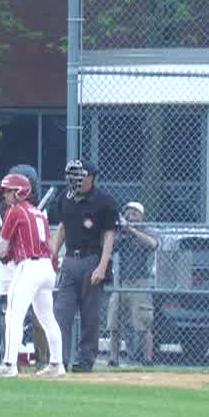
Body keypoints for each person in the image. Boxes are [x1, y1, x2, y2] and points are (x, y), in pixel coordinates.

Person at [0, 172, 63, 378]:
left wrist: (0, 252)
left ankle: (9, 364)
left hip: (29, 266)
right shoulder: (38, 213)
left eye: (9, 191)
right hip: (47, 267)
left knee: (13, 315)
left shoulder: (15, 211)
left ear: (19, 192)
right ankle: (57, 364)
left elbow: (1, 245)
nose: (5, 195)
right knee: (47, 317)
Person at [50, 160, 118, 373]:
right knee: (61, 312)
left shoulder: (104, 201)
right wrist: (51, 255)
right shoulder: (65, 198)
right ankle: (58, 360)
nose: (74, 179)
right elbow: (62, 228)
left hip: (92, 259)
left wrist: (102, 265)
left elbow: (109, 235)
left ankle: (85, 361)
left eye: (80, 175)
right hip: (69, 259)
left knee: (90, 315)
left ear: (91, 177)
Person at [108, 201, 159, 367]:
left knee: (144, 323)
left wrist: (132, 230)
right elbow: (108, 248)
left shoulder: (147, 231)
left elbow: (153, 244)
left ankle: (148, 359)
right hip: (121, 282)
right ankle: (113, 359)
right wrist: (120, 232)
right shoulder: (121, 233)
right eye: (128, 213)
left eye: (135, 213)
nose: (131, 215)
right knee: (114, 322)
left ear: (142, 216)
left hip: (140, 283)